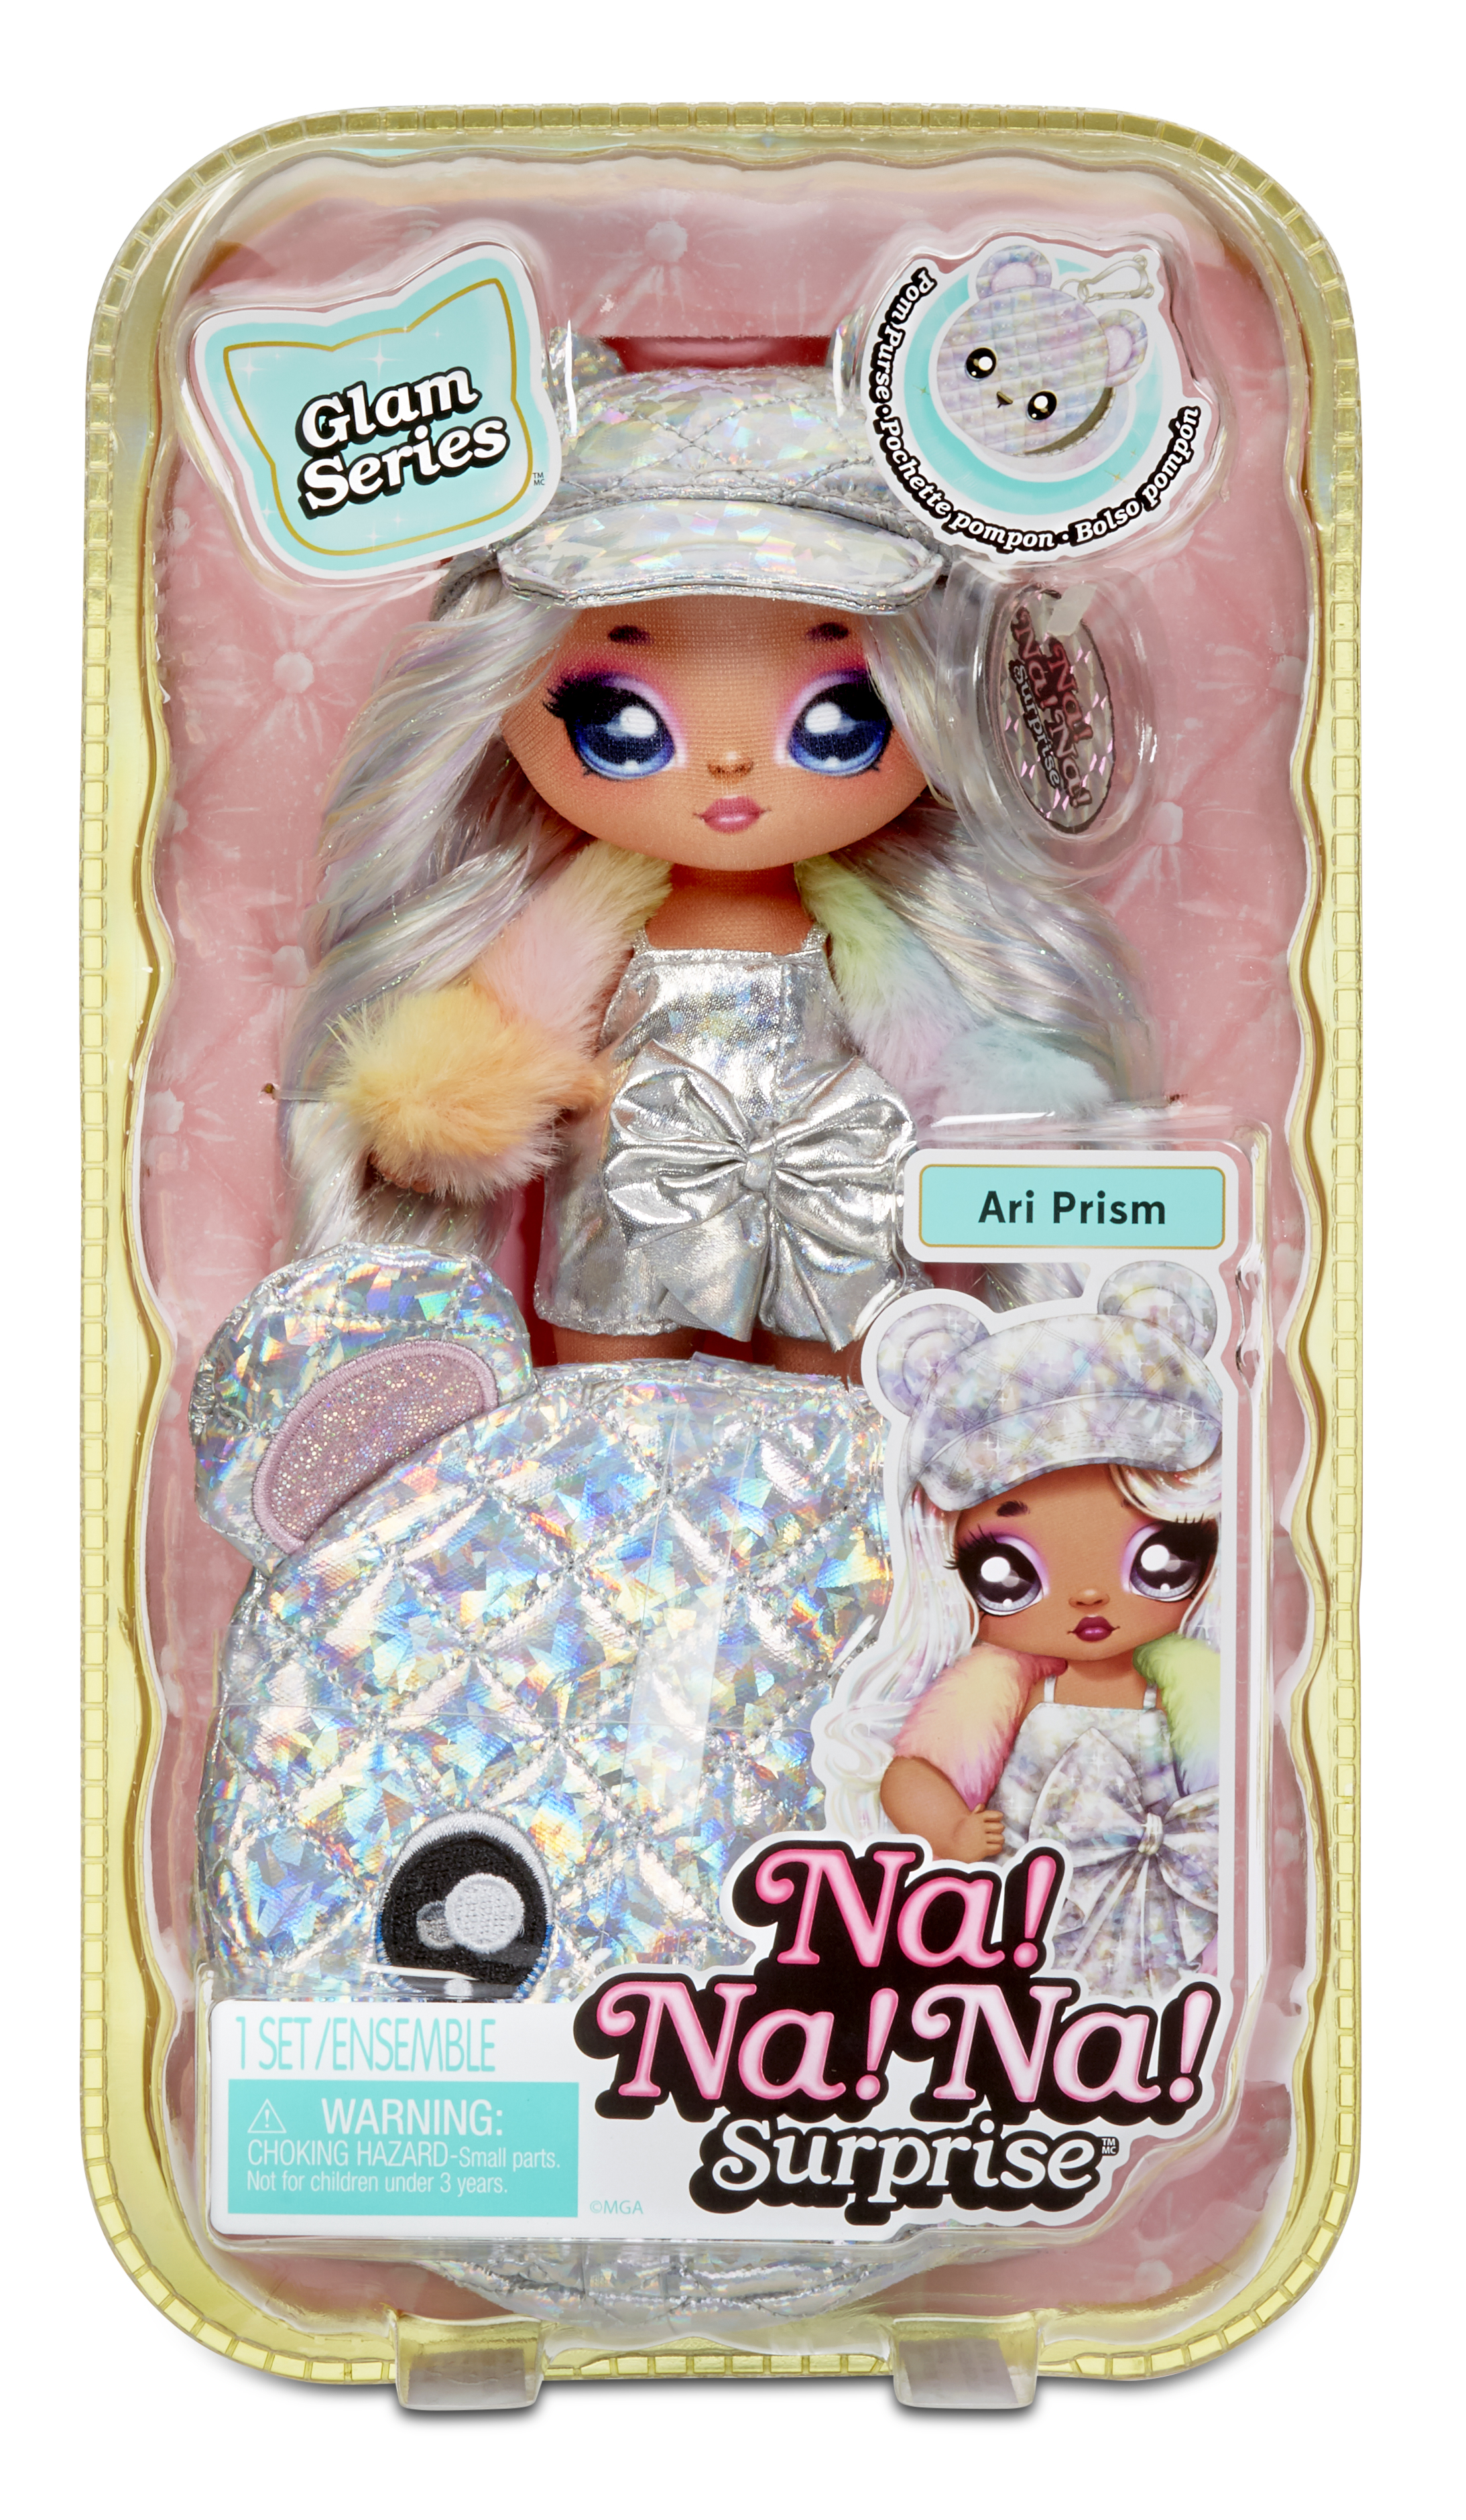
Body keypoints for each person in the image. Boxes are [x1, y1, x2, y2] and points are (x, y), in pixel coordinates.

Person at [276, 337, 1152, 1375]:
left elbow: (942, 1050)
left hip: (831, 1191)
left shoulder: (872, 925)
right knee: (612, 1379)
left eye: (839, 720)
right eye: (620, 723)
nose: (730, 764)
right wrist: (448, 1104)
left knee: (845, 1388)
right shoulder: (586, 911)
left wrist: (1008, 1120)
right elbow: (506, 1033)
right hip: (634, 1185)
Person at [814, 1265, 1223, 1997]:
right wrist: (950, 1832)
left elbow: (1224, 1795)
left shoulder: (1191, 1684)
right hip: (1024, 1906)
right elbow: (914, 1775)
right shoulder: (1000, 1683)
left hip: (1160, 1918)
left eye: (1160, 1559)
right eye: (1008, 1572)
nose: (1090, 1595)